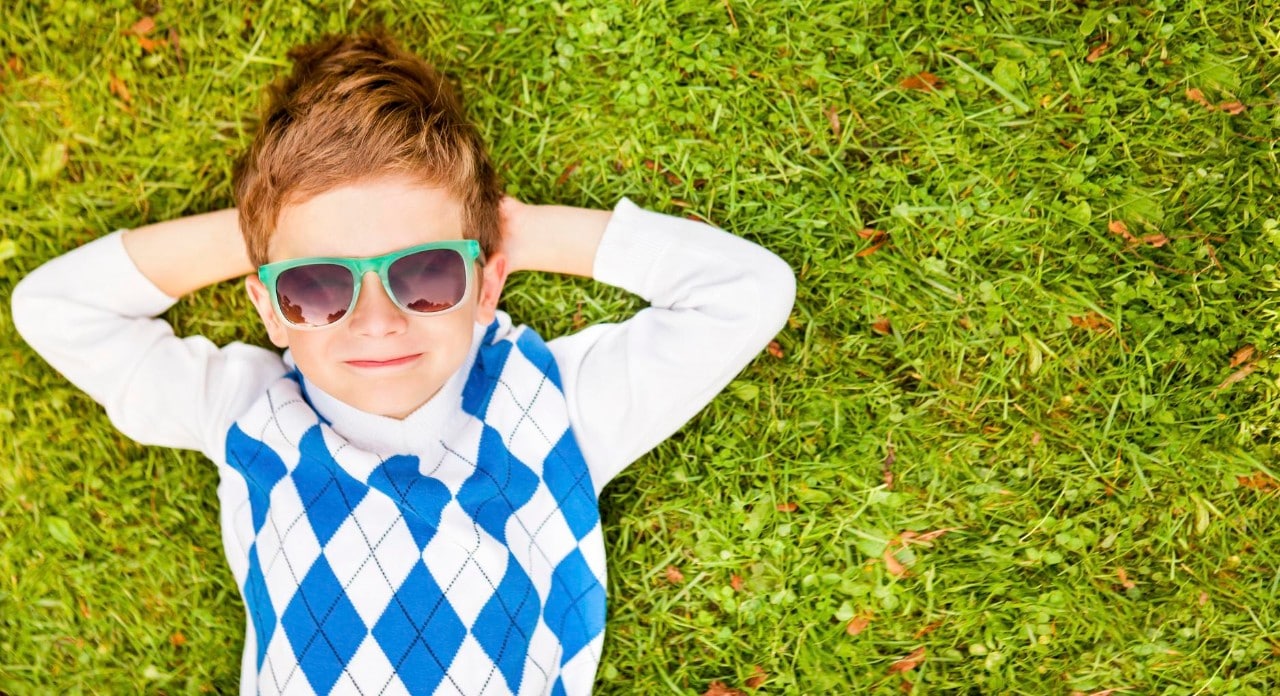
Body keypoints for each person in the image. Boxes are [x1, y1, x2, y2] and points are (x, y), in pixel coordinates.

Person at [11, 30, 794, 695]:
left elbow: (747, 291)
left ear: (486, 284)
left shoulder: (557, 405)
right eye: (317, 287)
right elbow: (53, 309)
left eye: (426, 275)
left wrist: (521, 232)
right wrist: (270, 231)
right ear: (268, 308)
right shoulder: (246, 410)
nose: (377, 322)